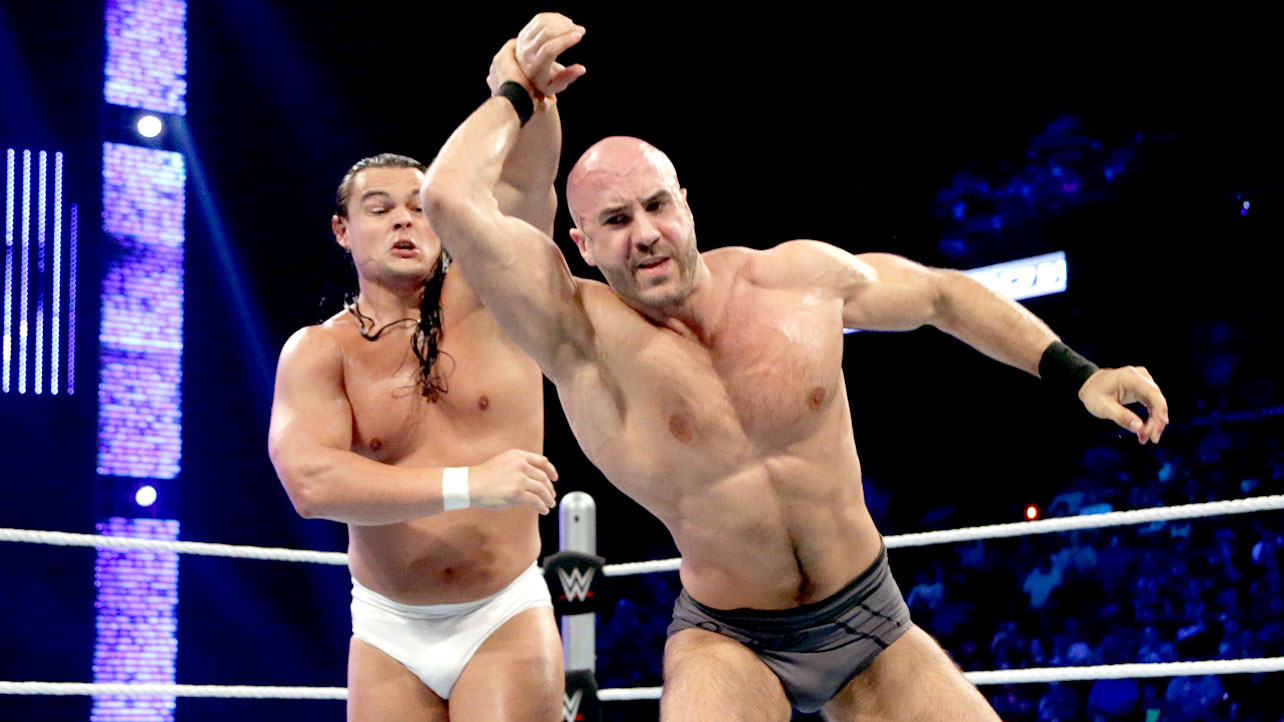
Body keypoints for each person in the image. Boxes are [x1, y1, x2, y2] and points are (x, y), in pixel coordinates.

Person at [420, 14, 1170, 720]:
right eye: (616, 221)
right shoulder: (578, 335)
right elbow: (448, 198)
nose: (644, 234)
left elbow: (942, 295)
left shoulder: (794, 281)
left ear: (686, 207)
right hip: (730, 640)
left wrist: (1080, 374)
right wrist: (516, 92)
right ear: (582, 244)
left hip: (870, 618)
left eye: (656, 206)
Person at [266, 17, 575, 721]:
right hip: (387, 626)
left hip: (502, 610)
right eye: (380, 209)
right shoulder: (320, 351)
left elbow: (528, 184)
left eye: (419, 206)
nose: (405, 221)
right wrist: (472, 484)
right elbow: (311, 484)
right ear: (343, 230)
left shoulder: (494, 296)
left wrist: (530, 93)